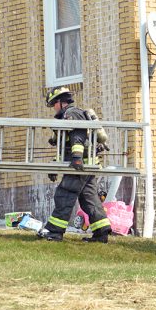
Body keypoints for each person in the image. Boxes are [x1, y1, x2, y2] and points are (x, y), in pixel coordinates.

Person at [37, 86, 112, 243]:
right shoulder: (68, 115)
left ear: (60, 101)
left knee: (64, 194)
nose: (54, 108)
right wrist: (55, 166)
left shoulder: (71, 114)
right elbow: (64, 148)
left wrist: (77, 157)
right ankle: (101, 232)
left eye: (54, 104)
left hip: (80, 165)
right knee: (88, 199)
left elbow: (78, 137)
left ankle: (54, 232)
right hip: (86, 164)